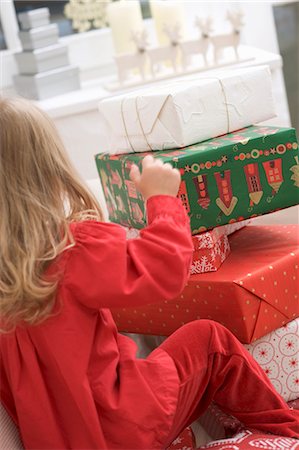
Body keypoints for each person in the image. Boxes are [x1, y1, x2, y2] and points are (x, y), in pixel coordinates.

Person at [0, 97, 298, 450]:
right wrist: (161, 200)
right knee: (209, 341)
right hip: (125, 425)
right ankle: (289, 431)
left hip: (60, 441)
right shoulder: (70, 251)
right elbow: (164, 270)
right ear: (49, 169)